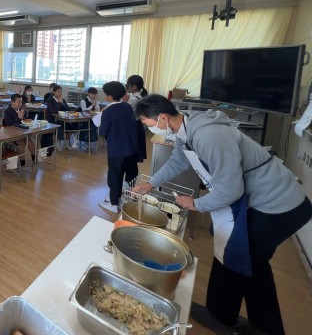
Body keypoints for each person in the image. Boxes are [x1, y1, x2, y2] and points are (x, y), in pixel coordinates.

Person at [131, 94, 312, 335]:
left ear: (162, 117)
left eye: (147, 122)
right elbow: (177, 162)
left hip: (278, 205)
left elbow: (230, 190)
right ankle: (223, 314)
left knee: (244, 259)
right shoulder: (184, 129)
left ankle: (260, 326)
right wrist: (151, 184)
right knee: (237, 255)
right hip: (258, 202)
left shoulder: (209, 136)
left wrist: (195, 203)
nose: (148, 128)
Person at [97, 81, 139, 214]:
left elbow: (103, 131)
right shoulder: (127, 106)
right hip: (130, 147)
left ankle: (113, 204)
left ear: (109, 96)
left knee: (114, 176)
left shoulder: (108, 111)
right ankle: (119, 197)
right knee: (125, 173)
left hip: (116, 149)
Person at [2, 94, 35, 167]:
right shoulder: (7, 111)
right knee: (21, 144)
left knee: (30, 142)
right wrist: (19, 117)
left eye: (21, 102)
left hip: (21, 132)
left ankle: (34, 160)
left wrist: (26, 119)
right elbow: (8, 124)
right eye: (18, 102)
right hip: (11, 134)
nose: (20, 104)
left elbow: (23, 119)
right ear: (12, 102)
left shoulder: (20, 109)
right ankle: (22, 163)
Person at [124, 75, 148, 162]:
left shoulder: (134, 99)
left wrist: (124, 101)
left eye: (128, 84)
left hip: (134, 126)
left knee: (131, 155)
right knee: (133, 155)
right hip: (137, 126)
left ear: (134, 87)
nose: (126, 86)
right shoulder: (139, 96)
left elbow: (124, 113)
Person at [45, 84, 74, 151]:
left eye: (61, 91)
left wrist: (62, 103)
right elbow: (53, 111)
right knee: (60, 126)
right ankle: (57, 143)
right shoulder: (50, 100)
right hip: (52, 119)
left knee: (71, 126)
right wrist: (59, 103)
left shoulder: (62, 99)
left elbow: (67, 109)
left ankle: (66, 143)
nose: (60, 93)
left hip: (62, 118)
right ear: (54, 92)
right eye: (58, 91)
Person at [78, 87, 100, 152]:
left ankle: (91, 142)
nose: (93, 96)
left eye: (95, 94)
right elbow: (84, 111)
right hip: (84, 119)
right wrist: (92, 105)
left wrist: (95, 105)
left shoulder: (95, 100)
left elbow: (98, 110)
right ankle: (87, 142)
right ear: (88, 94)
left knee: (95, 125)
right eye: (92, 94)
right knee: (89, 126)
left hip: (92, 119)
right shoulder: (83, 101)